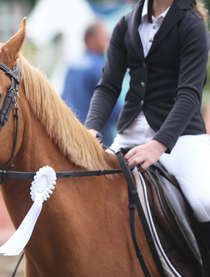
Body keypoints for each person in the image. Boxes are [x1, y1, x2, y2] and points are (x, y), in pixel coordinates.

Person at [85, 0, 210, 250]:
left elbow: (189, 95)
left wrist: (158, 145)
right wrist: (90, 129)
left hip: (181, 135)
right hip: (129, 133)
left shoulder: (192, 26)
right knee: (87, 187)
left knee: (203, 201)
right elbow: (108, 86)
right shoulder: (126, 23)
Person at [62, 20, 121, 146]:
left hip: (71, 135)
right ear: (90, 39)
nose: (108, 38)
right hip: (96, 139)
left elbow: (63, 98)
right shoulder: (100, 67)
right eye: (103, 35)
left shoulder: (72, 65)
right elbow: (113, 108)